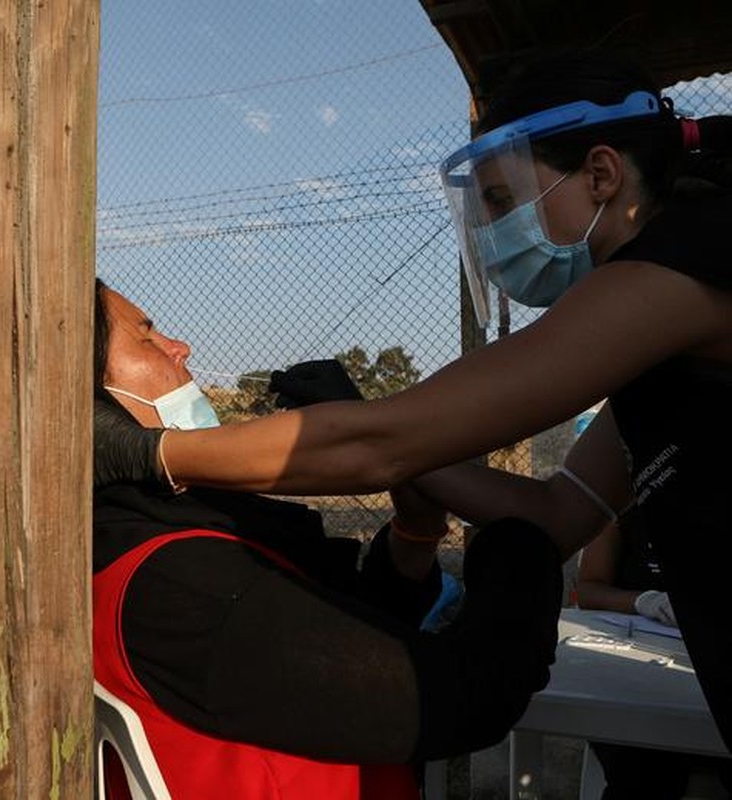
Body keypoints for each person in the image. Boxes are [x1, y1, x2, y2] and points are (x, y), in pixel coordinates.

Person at [94, 49, 732, 768]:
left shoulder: (677, 269)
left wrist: (147, 454)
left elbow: (383, 447)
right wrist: (400, 449)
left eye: (500, 201)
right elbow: (558, 514)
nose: (493, 230)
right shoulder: (660, 339)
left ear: (601, 175)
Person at [94, 280, 565, 798]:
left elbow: (362, 624)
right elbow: (465, 698)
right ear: (96, 403)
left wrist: (414, 519)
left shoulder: (148, 533)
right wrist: (520, 543)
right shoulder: (177, 583)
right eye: (146, 338)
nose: (179, 347)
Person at [576, 511, 730, 798]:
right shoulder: (624, 498)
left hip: (712, 677)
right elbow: (587, 590)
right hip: (634, 677)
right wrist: (645, 601)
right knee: (641, 774)